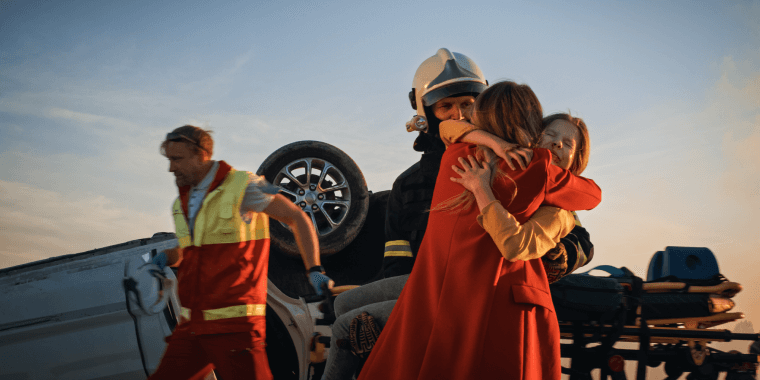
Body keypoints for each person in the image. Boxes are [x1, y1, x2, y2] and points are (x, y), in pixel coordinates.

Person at [357, 81, 602, 380]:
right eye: (549, 134)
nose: (555, 144)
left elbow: (448, 130)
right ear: (533, 128)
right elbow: (594, 195)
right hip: (471, 296)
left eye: (467, 107)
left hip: (439, 292)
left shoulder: (456, 154)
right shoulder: (538, 168)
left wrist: (488, 163)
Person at [321, 48, 488, 380]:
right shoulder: (408, 185)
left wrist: (558, 255)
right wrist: (380, 319)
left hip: (478, 295)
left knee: (342, 324)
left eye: (468, 104)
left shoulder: (501, 163)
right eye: (446, 106)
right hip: (424, 290)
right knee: (340, 308)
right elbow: (397, 264)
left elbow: (572, 238)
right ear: (425, 114)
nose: (459, 114)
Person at [148, 125, 333, 380]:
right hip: (193, 325)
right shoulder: (180, 203)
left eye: (177, 159)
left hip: (234, 325)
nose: (171, 168)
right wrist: (166, 258)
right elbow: (192, 251)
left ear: (201, 154)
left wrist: (314, 268)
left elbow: (296, 217)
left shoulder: (245, 185)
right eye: (169, 160)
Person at [440, 112, 595, 282]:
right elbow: (447, 127)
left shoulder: (558, 212)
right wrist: (497, 143)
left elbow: (515, 245)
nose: (557, 143)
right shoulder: (503, 159)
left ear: (576, 161)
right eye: (549, 134)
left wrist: (480, 188)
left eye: (568, 144)